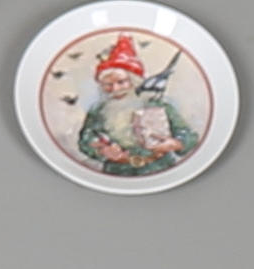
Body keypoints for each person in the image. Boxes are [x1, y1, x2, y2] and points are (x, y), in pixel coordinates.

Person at [77, 34, 199, 176]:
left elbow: (188, 135)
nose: (115, 89)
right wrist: (102, 150)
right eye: (108, 84)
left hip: (159, 167)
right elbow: (86, 139)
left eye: (121, 82)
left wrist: (176, 143)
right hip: (117, 171)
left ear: (134, 81)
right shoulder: (99, 110)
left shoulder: (157, 104)